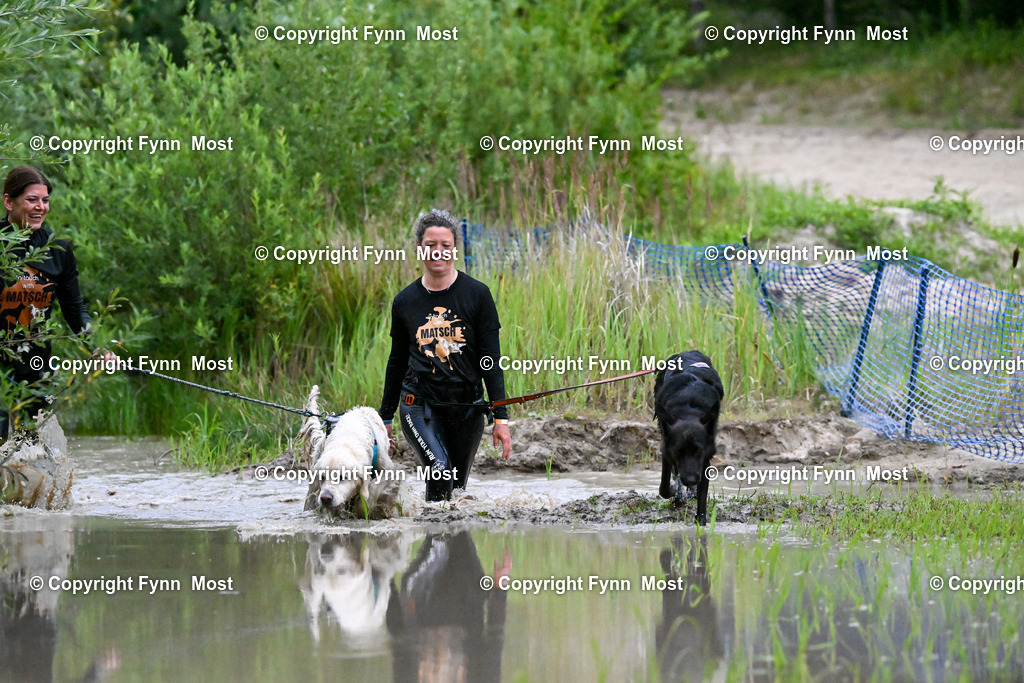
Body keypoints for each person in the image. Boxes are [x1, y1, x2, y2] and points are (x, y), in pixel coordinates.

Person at [379, 209, 512, 501]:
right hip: (420, 406)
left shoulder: (478, 295)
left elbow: (491, 360)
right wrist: (385, 417)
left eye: (445, 245)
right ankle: (436, 538)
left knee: (456, 490)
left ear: (455, 250)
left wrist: (500, 418)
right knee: (439, 470)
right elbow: (397, 361)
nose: (438, 251)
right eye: (430, 245)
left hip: (468, 408)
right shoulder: (405, 302)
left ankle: (447, 544)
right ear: (419, 248)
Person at [1, 166, 92, 438]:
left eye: (45, 200)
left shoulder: (59, 250)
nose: (40, 206)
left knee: (32, 447)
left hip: (36, 363)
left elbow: (75, 309)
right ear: (9, 201)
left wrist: (96, 346)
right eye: (32, 200)